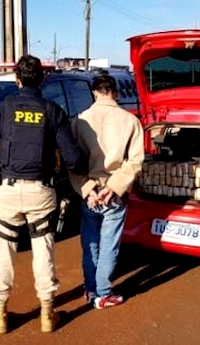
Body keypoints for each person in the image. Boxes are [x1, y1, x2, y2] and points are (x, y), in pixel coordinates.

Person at [0, 55, 86, 334]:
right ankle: (47, 314)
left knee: (3, 252)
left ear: (16, 79)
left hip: (7, 193)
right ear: (43, 79)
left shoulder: (0, 110)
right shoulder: (53, 111)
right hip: (41, 193)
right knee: (43, 250)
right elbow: (73, 158)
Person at [69, 74, 144, 309]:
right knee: (109, 244)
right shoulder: (130, 121)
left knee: (89, 243)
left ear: (94, 92)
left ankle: (90, 289)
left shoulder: (80, 121)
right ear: (116, 92)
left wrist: (88, 189)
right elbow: (136, 161)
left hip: (89, 191)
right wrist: (113, 188)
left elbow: (73, 163)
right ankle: (103, 293)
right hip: (115, 192)